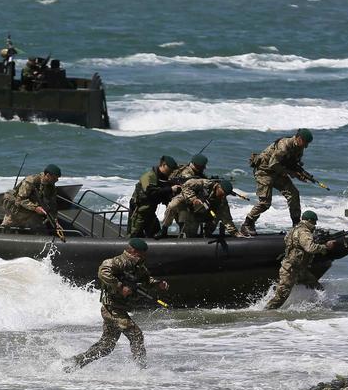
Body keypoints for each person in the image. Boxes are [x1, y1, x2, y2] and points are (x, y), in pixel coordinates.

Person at [66, 238, 168, 371]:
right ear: (134, 251)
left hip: (120, 308)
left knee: (106, 347)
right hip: (111, 308)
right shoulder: (118, 261)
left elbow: (146, 279)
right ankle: (142, 370)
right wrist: (120, 287)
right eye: (142, 252)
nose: (144, 255)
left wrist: (158, 283)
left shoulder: (138, 266)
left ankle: (74, 363)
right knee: (136, 334)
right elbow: (103, 271)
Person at [241, 128, 313, 236]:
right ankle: (247, 224)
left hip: (279, 173)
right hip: (264, 172)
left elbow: (293, 164)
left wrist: (300, 174)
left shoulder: (299, 147)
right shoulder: (284, 145)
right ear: (298, 138)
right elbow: (273, 164)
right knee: (265, 203)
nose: (306, 146)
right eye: (305, 143)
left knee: (294, 194)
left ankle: (296, 225)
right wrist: (292, 174)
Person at [265, 210, 337, 310]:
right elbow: (310, 248)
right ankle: (266, 312)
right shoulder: (304, 231)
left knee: (316, 286)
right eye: (314, 222)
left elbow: (289, 241)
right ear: (309, 221)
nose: (315, 225)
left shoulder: (294, 229)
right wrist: (325, 247)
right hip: (290, 269)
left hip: (299, 269)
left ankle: (321, 308)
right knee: (281, 297)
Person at [158, 178, 244, 238]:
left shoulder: (222, 201)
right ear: (218, 187)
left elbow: (227, 218)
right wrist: (193, 199)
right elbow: (186, 186)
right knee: (173, 205)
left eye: (225, 195)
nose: (223, 196)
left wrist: (235, 233)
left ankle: (207, 234)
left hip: (199, 211)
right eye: (222, 193)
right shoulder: (205, 183)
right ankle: (164, 229)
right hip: (187, 198)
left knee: (214, 217)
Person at [128, 156, 181, 238]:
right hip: (139, 213)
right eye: (170, 168)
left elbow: (164, 196)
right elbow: (150, 192)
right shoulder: (149, 176)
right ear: (163, 165)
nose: (171, 171)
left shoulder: (164, 179)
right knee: (134, 236)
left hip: (151, 213)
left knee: (156, 235)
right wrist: (170, 189)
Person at [1, 164, 62, 233]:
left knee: (40, 230)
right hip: (18, 209)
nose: (57, 180)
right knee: (7, 229)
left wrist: (55, 220)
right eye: (55, 178)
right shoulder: (31, 181)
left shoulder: (51, 186)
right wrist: (35, 208)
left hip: (32, 211)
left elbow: (52, 204)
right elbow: (20, 199)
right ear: (47, 175)